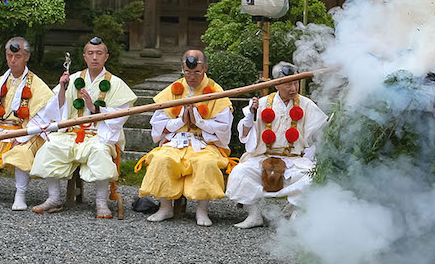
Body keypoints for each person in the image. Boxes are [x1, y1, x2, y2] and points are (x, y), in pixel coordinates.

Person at [27, 37, 137, 218]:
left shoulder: (116, 84)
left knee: (100, 151)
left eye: (99, 53)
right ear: (85, 56)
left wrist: (96, 108)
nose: (95, 57)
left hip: (100, 134)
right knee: (50, 147)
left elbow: (122, 114)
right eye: (91, 53)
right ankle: (54, 198)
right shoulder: (74, 78)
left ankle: (101, 202)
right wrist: (62, 88)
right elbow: (55, 109)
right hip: (72, 132)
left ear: (106, 57)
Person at [226, 62, 327, 228]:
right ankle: (254, 214)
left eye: (296, 83)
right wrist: (252, 113)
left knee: (311, 178)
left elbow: (321, 131)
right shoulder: (263, 103)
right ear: (277, 84)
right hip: (264, 156)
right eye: (289, 84)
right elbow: (244, 134)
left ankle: (296, 213)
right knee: (240, 172)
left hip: (295, 159)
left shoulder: (306, 104)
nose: (294, 88)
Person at [139, 50, 232, 226]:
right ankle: (165, 207)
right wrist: (180, 120)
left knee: (205, 162)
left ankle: (202, 210)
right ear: (182, 68)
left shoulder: (216, 91)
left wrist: (200, 121)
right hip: (175, 141)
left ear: (205, 68)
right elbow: (158, 123)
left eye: (197, 72)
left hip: (204, 142)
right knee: (161, 158)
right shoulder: (172, 90)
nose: (192, 77)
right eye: (188, 72)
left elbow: (224, 127)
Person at [0, 37, 52, 211]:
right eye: (9, 56)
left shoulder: (37, 85)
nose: (12, 60)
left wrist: (23, 137)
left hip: (24, 132)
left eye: (17, 56)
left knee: (22, 153)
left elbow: (43, 115)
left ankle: (20, 195)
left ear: (27, 57)